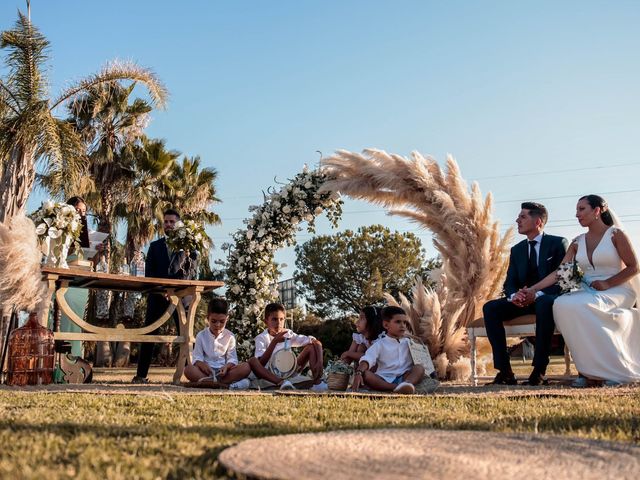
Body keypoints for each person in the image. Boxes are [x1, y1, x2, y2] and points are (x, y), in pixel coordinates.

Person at [522, 195, 640, 386]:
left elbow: (634, 267)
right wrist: (533, 290)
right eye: (577, 210)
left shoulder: (616, 234)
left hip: (617, 289)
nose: (577, 214)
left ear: (597, 211)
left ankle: (613, 372)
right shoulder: (578, 241)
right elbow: (559, 272)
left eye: (582, 209)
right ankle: (589, 372)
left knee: (582, 304)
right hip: (588, 290)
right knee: (562, 303)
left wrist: (608, 283)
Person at [483, 202, 568, 386]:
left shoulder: (558, 243)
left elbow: (561, 280)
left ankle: (539, 371)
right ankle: (505, 372)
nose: (517, 220)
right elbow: (510, 281)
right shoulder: (517, 250)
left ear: (537, 221)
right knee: (490, 308)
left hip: (547, 299)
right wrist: (515, 296)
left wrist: (536, 294)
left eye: (523, 217)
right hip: (523, 301)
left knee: (544, 303)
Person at [132, 209, 198, 383]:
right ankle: (141, 375)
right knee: (149, 334)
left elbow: (191, 272)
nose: (168, 225)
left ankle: (196, 374)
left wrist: (174, 290)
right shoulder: (155, 246)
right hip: (158, 297)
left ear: (179, 225)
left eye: (172, 222)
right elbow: (150, 274)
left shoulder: (190, 246)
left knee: (187, 336)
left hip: (182, 297)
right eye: (166, 222)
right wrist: (163, 290)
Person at [247, 302, 328, 391]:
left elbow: (316, 342)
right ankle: (282, 383)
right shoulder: (262, 338)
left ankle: (317, 382)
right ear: (266, 321)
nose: (278, 323)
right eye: (274, 319)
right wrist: (275, 341)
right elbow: (261, 363)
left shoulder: (288, 334)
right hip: (269, 374)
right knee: (252, 361)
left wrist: (320, 362)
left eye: (281, 319)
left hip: (288, 371)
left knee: (311, 347)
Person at [351, 306, 424, 394]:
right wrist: (359, 373)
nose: (402, 326)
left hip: (405, 377)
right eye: (398, 322)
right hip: (383, 378)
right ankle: (397, 388)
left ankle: (407, 385)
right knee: (366, 374)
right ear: (386, 325)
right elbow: (367, 359)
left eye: (404, 322)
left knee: (419, 368)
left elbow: (422, 359)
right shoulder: (380, 344)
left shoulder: (410, 343)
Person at [183, 298, 251, 389]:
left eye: (222, 321)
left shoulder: (230, 336)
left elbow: (233, 359)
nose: (218, 325)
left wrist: (226, 367)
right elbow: (197, 358)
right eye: (214, 321)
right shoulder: (201, 335)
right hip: (206, 373)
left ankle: (211, 383)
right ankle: (218, 383)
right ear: (208, 318)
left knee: (246, 367)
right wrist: (203, 366)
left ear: (227, 319)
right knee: (188, 369)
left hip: (224, 374)